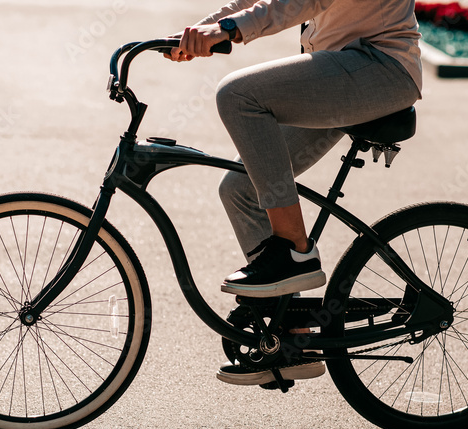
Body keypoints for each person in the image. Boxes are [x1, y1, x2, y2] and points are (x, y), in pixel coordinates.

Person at [167, 0, 423, 386]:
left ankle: (295, 251)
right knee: (240, 187)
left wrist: (229, 30)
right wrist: (197, 31)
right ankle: (289, 340)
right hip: (340, 69)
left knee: (237, 95)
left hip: (380, 69)